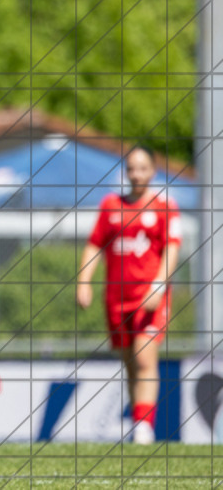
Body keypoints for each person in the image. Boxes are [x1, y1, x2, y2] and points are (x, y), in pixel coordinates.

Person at [77, 146, 181, 445]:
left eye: (142, 168)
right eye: (131, 168)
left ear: (153, 171)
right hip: (116, 300)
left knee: (144, 356)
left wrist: (158, 286)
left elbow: (172, 248)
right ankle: (140, 422)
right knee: (130, 362)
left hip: (149, 298)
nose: (136, 174)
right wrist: (84, 281)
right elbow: (95, 245)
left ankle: (144, 428)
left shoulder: (164, 207)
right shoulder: (111, 206)